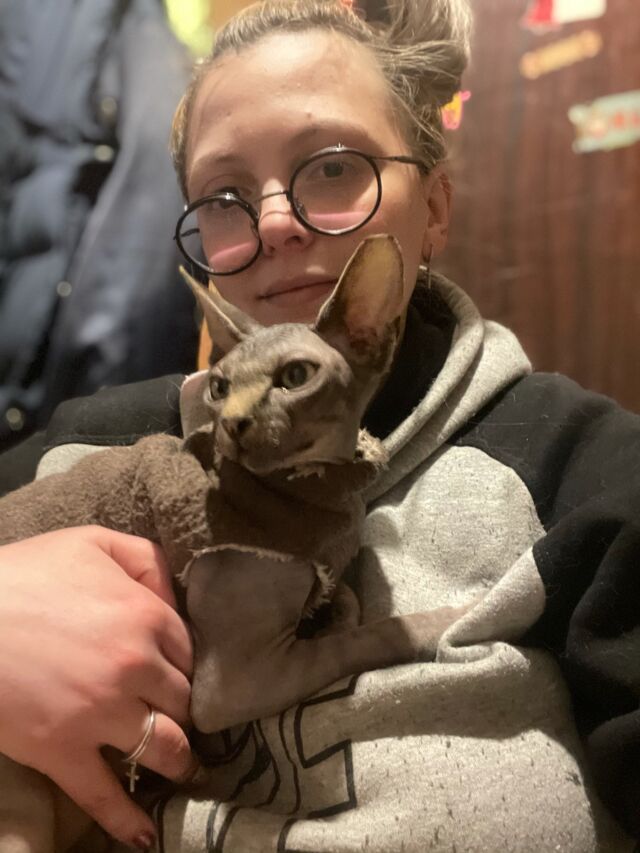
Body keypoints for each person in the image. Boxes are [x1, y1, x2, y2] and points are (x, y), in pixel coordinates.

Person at [0, 0, 638, 850]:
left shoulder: (576, 467)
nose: (272, 220)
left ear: (435, 205)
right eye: (223, 197)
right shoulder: (97, 441)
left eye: (333, 167)